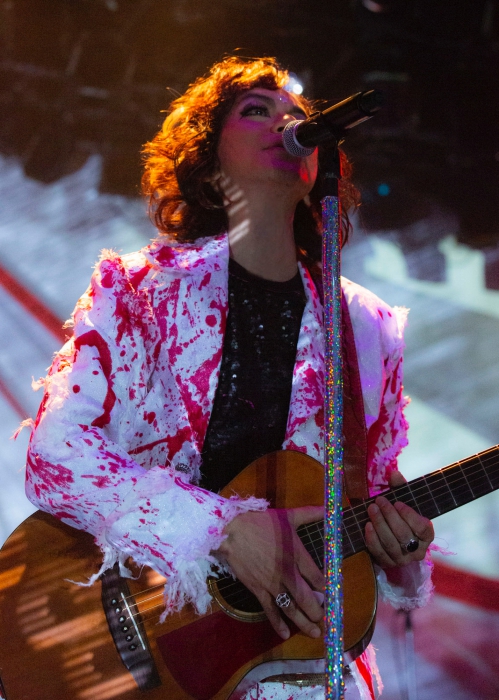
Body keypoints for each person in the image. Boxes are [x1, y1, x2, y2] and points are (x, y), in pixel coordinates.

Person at [25, 56, 435, 699]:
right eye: (256, 110)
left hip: (301, 677)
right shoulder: (140, 290)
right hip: (140, 652)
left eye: (297, 115)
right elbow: (56, 455)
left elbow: (373, 498)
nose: (286, 123)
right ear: (209, 166)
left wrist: (402, 552)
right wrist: (220, 529)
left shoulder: (366, 328)